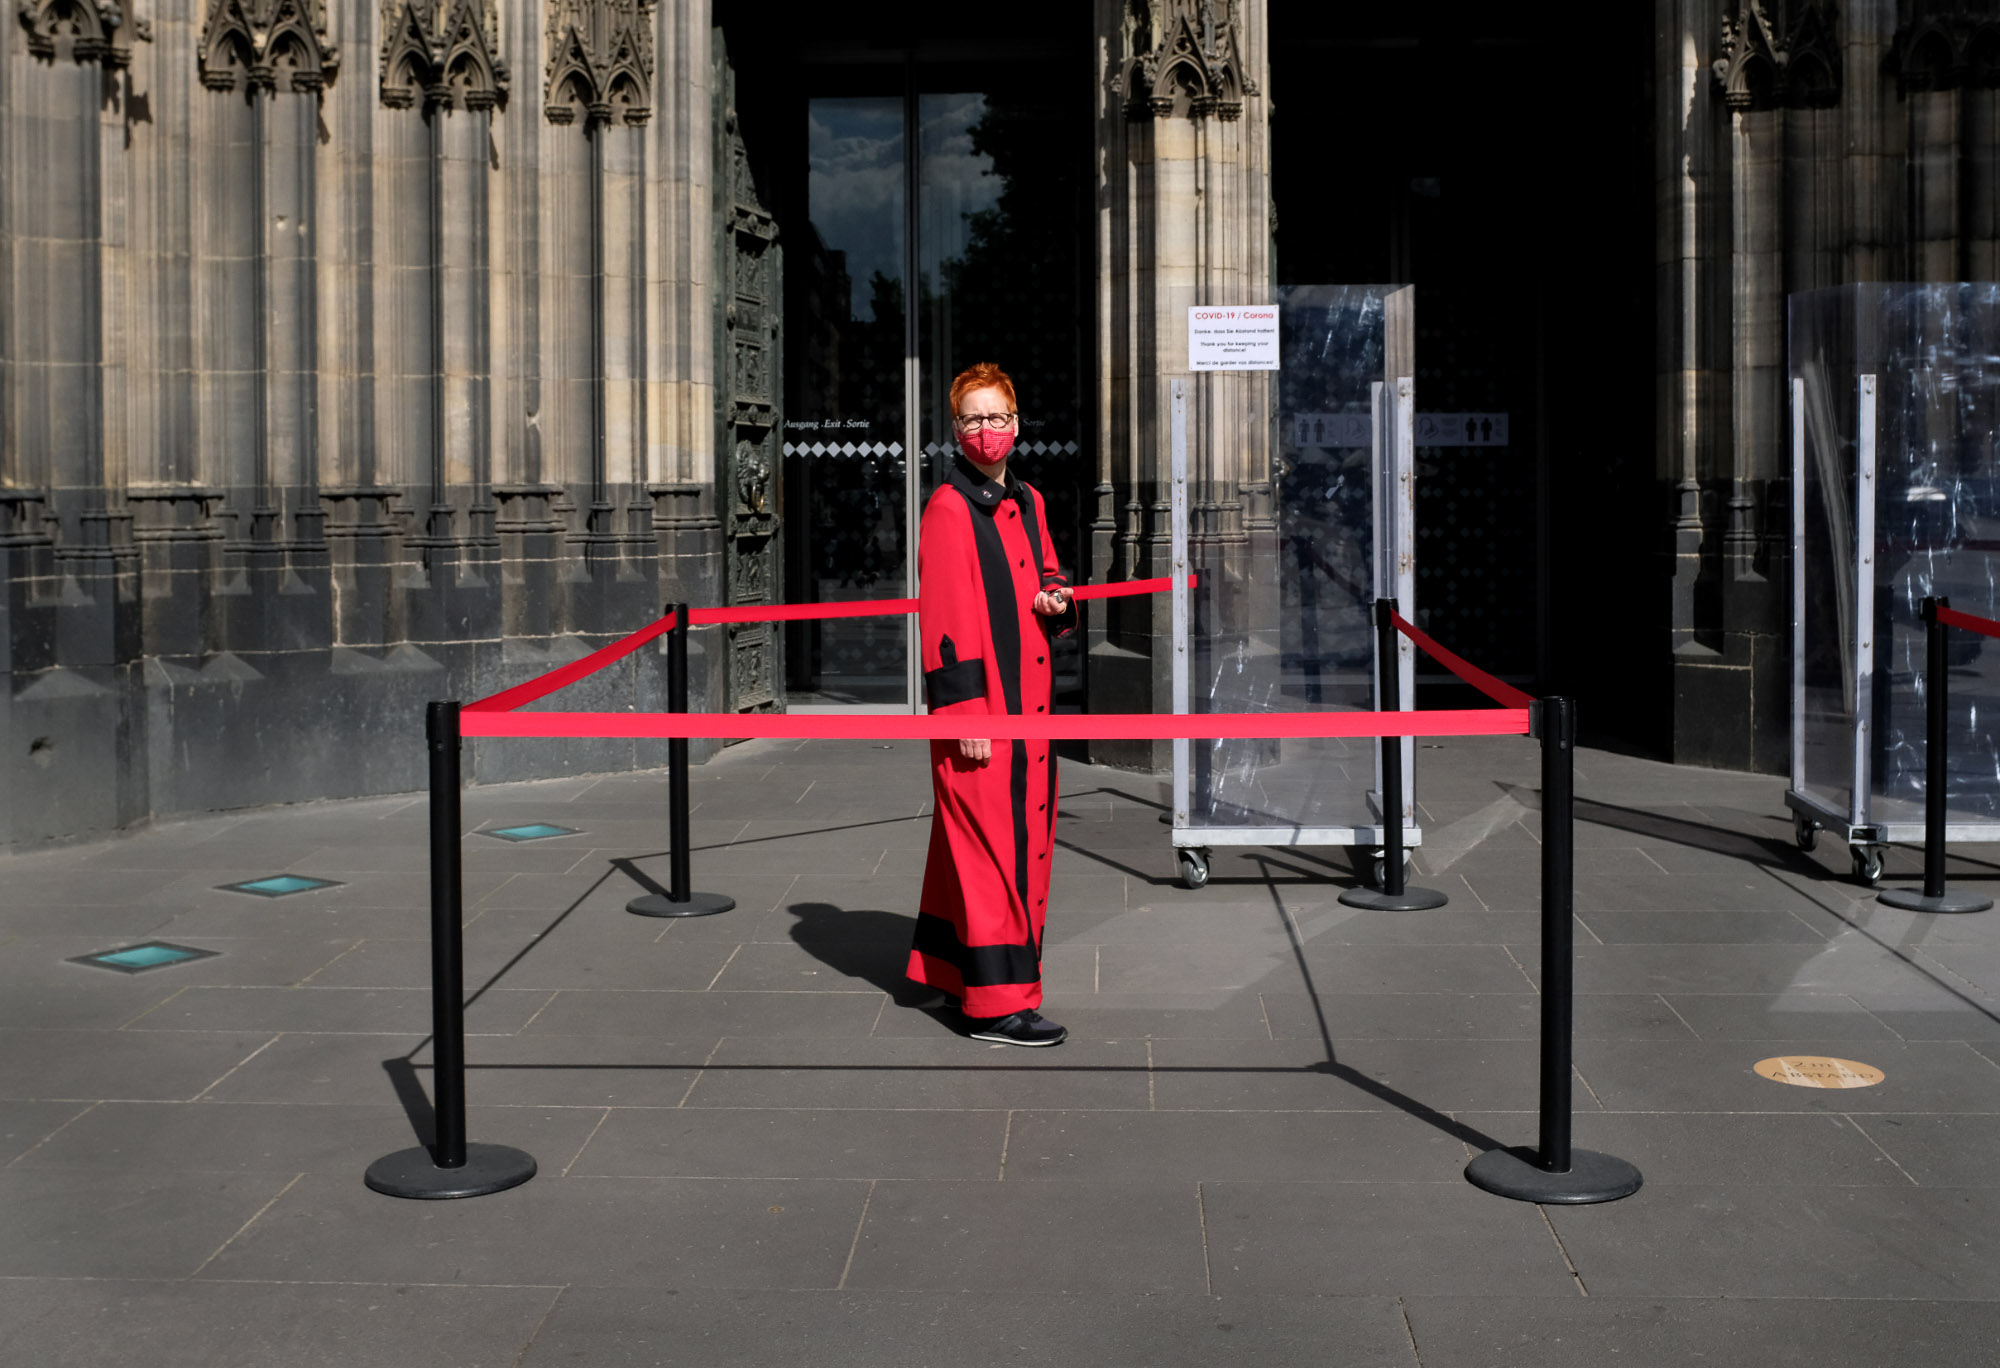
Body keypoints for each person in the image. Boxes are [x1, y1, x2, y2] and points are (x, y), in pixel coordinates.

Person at [906, 362, 1075, 1046]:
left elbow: (1053, 572)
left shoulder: (1028, 501)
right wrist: (965, 717)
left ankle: (954, 974)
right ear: (956, 429)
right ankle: (998, 1005)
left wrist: (1055, 599)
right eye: (973, 419)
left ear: (1016, 423)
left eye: (996, 417)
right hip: (987, 716)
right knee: (993, 851)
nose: (986, 430)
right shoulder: (948, 508)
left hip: (1031, 709)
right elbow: (945, 621)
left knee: (998, 844)